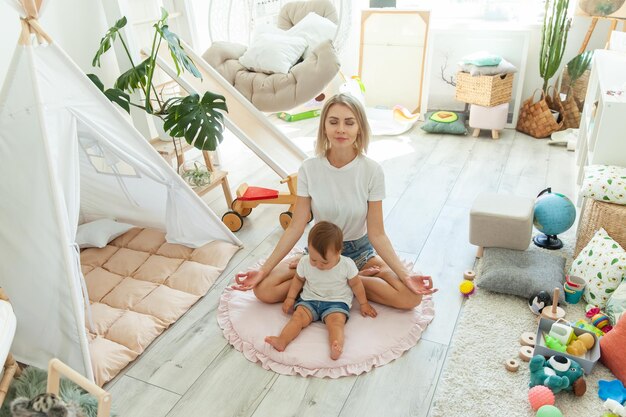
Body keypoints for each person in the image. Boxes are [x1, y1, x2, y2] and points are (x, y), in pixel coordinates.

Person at [234, 93, 437, 309]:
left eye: (349, 122)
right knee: (263, 289)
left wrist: (405, 275)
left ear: (359, 128)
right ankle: (340, 280)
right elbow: (296, 226)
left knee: (411, 297)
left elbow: (377, 233)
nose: (341, 129)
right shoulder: (309, 168)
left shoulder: (372, 171)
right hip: (319, 254)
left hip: (359, 253)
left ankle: (345, 280)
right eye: (333, 122)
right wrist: (264, 270)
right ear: (324, 127)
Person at [265, 221, 377, 360]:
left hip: (336, 302)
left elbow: (356, 284)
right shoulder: (305, 262)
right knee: (297, 318)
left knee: (336, 323)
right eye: (314, 259)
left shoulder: (347, 264)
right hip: (309, 300)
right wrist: (290, 298)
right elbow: (298, 280)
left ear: (338, 252)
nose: (318, 265)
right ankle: (282, 340)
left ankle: (336, 346)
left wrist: (364, 303)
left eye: (324, 262)